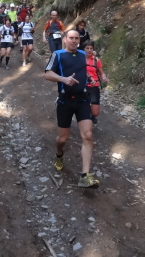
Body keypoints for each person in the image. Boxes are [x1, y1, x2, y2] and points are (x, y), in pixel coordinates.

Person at [44, 29, 99, 188]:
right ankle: (59, 154)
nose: (74, 40)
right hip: (65, 101)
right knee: (63, 139)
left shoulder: (83, 54)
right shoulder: (58, 54)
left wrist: (89, 78)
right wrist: (63, 79)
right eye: (71, 38)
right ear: (65, 39)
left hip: (82, 100)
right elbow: (47, 74)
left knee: (88, 135)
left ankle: (85, 176)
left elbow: (83, 71)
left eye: (76, 38)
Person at [83, 40, 108, 125]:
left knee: (95, 112)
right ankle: (86, 120)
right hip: (83, 86)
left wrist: (104, 77)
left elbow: (101, 73)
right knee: (83, 106)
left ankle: (91, 115)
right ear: (84, 49)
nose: (89, 50)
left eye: (91, 48)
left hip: (94, 86)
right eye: (87, 48)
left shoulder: (96, 60)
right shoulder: (80, 59)